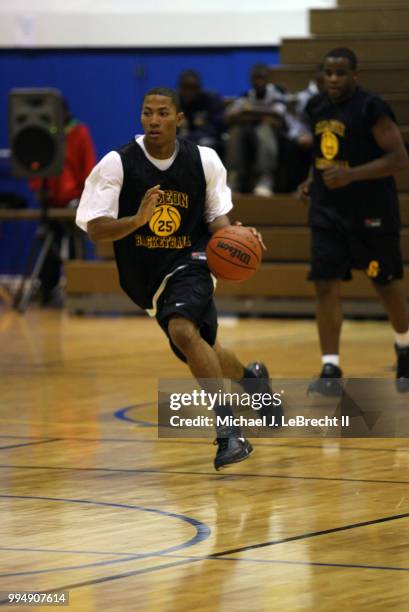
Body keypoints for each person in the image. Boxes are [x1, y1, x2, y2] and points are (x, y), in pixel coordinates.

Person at [76, 87, 279, 469]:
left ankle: (229, 432)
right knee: (205, 348)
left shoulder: (203, 160)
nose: (154, 120)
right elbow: (96, 230)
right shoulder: (117, 163)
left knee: (184, 331)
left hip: (194, 259)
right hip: (145, 275)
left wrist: (238, 235)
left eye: (163, 113)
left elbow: (217, 219)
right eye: (147, 113)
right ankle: (251, 380)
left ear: (179, 118)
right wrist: (136, 221)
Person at [299, 47, 409, 394]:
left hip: (372, 211)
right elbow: (321, 153)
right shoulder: (315, 107)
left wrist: (352, 176)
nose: (333, 79)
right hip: (328, 211)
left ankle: (404, 347)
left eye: (341, 73)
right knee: (325, 284)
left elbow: (398, 158)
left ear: (354, 75)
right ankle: (330, 366)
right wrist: (309, 180)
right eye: (328, 72)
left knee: (384, 284)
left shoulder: (371, 107)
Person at [30, 99, 96, 306]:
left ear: (66, 113)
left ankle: (79, 291)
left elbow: (89, 168)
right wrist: (38, 188)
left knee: (76, 245)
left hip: (75, 201)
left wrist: (84, 197)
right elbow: (36, 166)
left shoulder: (79, 132)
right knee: (50, 244)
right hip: (52, 201)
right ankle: (46, 289)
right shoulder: (45, 134)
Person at [225, 63, 287, 196]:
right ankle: (234, 179)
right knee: (235, 131)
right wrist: (262, 115)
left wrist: (248, 113)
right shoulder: (246, 95)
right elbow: (230, 116)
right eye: (255, 78)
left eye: (262, 78)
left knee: (265, 128)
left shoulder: (277, 93)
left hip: (273, 135)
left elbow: (278, 115)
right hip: (249, 133)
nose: (258, 81)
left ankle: (265, 179)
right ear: (251, 80)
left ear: (268, 79)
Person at [177, 70, 226, 158]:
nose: (189, 92)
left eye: (193, 88)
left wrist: (189, 137)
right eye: (185, 87)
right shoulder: (174, 103)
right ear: (180, 88)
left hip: (205, 140)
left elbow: (216, 128)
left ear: (199, 88)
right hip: (181, 141)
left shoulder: (210, 100)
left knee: (205, 145)